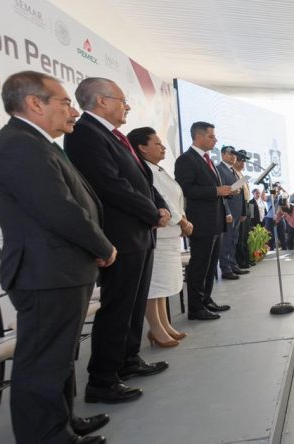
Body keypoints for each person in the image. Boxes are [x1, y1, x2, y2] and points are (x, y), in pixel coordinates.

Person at [0, 70, 113, 444]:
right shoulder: (19, 146)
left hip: (60, 269)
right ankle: (46, 436)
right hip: (46, 272)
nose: (72, 110)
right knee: (42, 363)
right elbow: (59, 210)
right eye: (65, 102)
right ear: (34, 103)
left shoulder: (35, 143)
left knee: (58, 358)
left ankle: (63, 422)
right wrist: (103, 246)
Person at [65, 77, 170, 404]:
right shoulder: (85, 135)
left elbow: (140, 180)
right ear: (100, 101)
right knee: (118, 306)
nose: (127, 105)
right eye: (122, 100)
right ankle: (103, 379)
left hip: (139, 232)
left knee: (135, 303)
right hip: (120, 234)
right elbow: (110, 185)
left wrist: (160, 205)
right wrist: (153, 212)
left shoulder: (115, 136)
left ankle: (127, 360)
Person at [128, 127, 191, 348]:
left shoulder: (157, 169)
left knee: (164, 285)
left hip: (170, 233)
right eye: (157, 143)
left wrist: (182, 218)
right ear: (142, 148)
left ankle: (165, 324)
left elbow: (175, 199)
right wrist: (181, 220)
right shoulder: (143, 170)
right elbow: (162, 199)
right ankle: (156, 328)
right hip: (160, 232)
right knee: (154, 286)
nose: (163, 147)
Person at [174, 121, 233, 321]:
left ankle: (206, 300)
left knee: (210, 265)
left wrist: (224, 193)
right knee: (199, 265)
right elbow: (186, 189)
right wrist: (216, 191)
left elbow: (212, 189)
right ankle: (196, 308)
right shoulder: (186, 160)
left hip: (215, 221)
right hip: (200, 222)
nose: (215, 140)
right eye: (211, 136)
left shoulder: (208, 159)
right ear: (198, 137)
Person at [215, 146, 247, 279]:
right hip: (228, 212)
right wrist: (227, 211)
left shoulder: (234, 171)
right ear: (222, 155)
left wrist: (242, 212)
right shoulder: (219, 169)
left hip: (237, 212)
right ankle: (225, 268)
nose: (233, 156)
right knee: (226, 241)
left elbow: (240, 193)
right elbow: (222, 193)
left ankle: (233, 265)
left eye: (235, 154)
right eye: (230, 154)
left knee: (234, 240)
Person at [233, 150, 254, 269]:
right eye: (240, 161)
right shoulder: (233, 173)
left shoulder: (241, 174)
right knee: (239, 237)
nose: (242, 164)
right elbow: (235, 190)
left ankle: (246, 258)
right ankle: (240, 261)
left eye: (244, 162)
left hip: (246, 205)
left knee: (245, 235)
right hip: (239, 207)